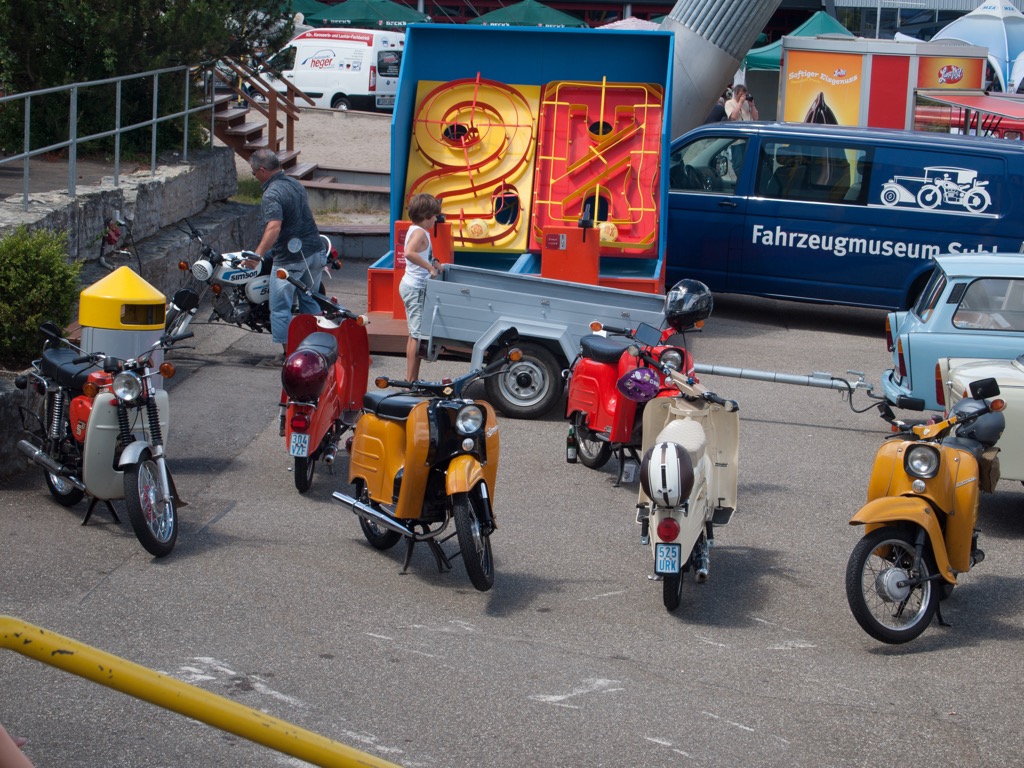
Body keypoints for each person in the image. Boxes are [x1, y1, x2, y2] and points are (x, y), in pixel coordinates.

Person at [243, 148, 325, 362]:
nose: (255, 177)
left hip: (290, 259)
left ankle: (289, 355)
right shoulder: (295, 184)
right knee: (310, 303)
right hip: (315, 251)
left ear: (262, 170)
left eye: (254, 173)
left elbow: (274, 227)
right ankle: (315, 351)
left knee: (280, 308)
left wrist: (257, 256)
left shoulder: (272, 193)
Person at [399, 193, 442, 381]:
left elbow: (422, 254)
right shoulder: (420, 232)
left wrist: (435, 261)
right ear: (425, 216)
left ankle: (413, 380)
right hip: (416, 289)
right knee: (416, 337)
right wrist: (430, 268)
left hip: (412, 286)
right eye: (434, 215)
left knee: (413, 334)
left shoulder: (416, 229)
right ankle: (411, 382)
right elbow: (409, 253)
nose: (436, 219)